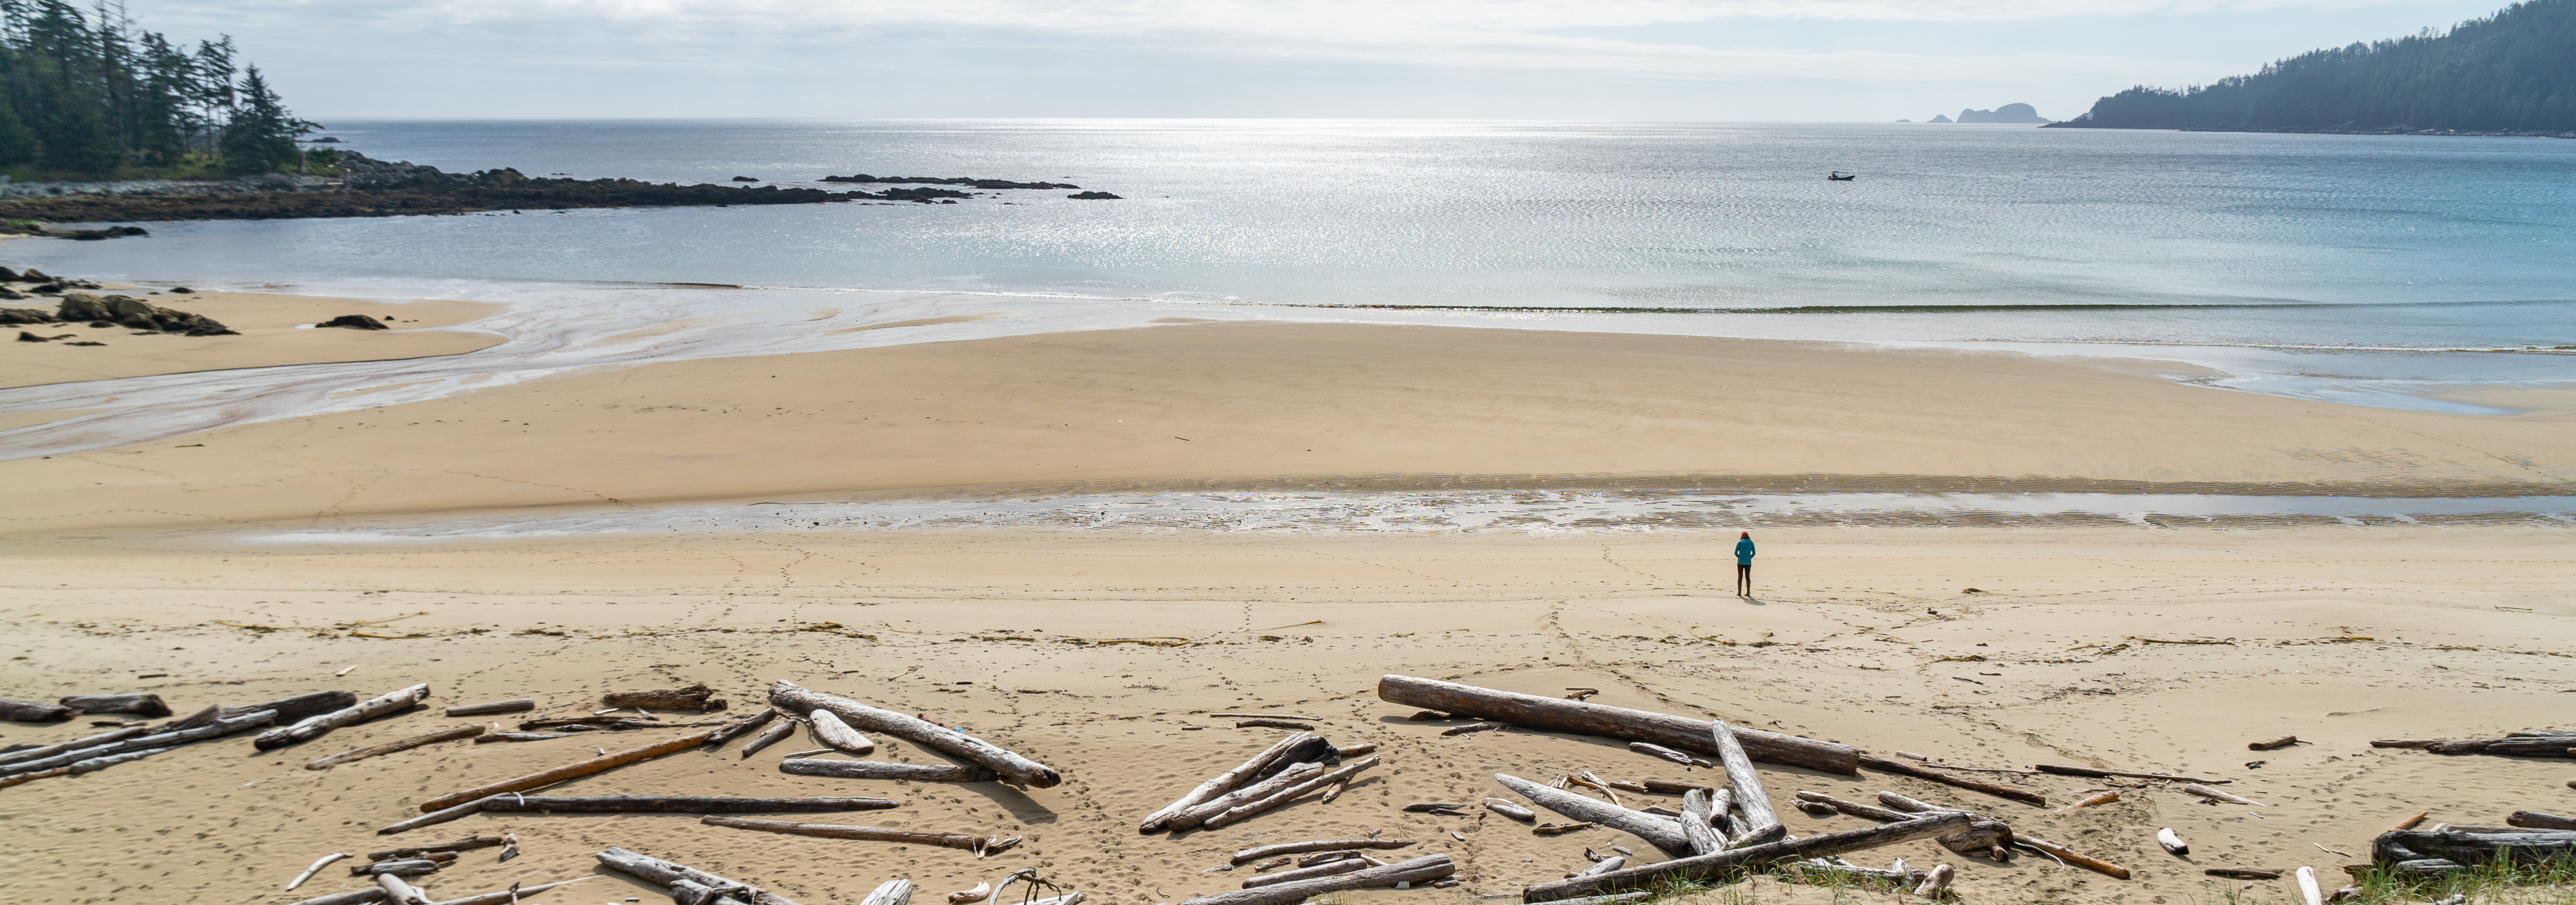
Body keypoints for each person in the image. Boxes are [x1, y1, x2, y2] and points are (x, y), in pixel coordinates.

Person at [1733, 531, 1756, 596]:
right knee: (1748, 577)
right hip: (1748, 562)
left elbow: (1736, 553)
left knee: (1740, 577)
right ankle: (1748, 593)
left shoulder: (1740, 543)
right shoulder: (1751, 543)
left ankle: (1739, 592)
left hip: (1740, 562)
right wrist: (1749, 558)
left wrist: (1740, 557)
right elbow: (1754, 553)